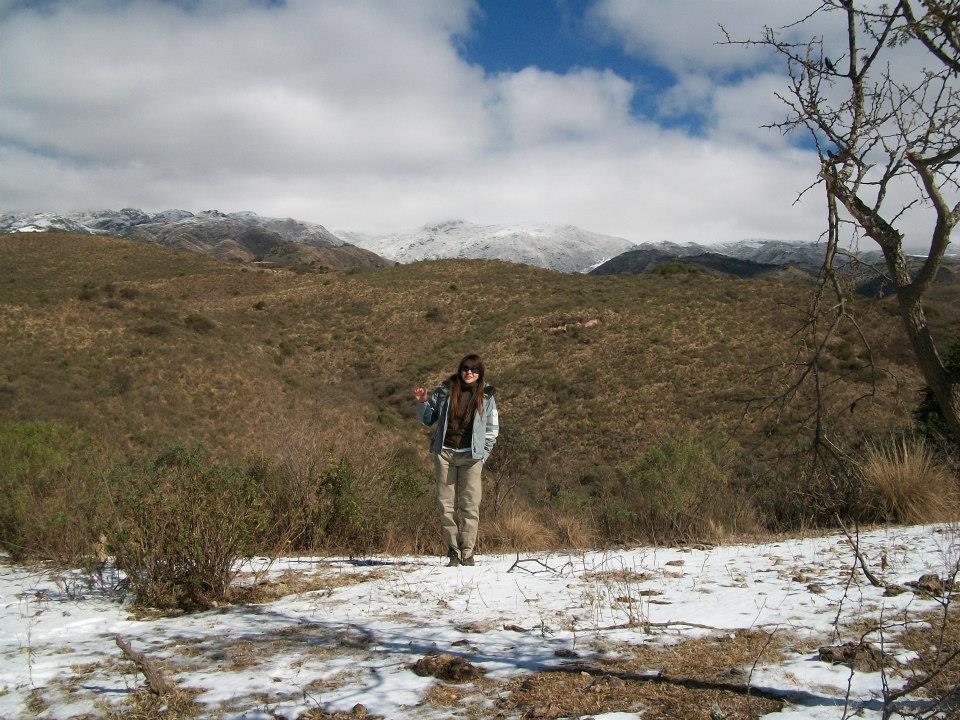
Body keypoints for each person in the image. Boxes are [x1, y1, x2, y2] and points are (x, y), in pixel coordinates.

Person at [413, 354, 499, 567]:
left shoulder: (486, 396)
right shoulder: (444, 391)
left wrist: (483, 455)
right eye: (466, 368)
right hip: (445, 454)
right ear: (460, 370)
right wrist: (423, 402)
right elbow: (427, 419)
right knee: (446, 505)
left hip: (472, 457)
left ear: (480, 373)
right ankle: (453, 551)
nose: (469, 372)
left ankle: (467, 553)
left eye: (474, 369)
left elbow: (492, 429)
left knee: (470, 505)